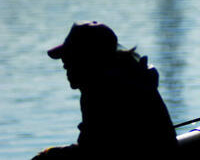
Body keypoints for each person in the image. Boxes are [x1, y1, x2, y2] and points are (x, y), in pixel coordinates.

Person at [32, 21, 179, 159]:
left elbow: (93, 151)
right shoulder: (133, 77)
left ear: (88, 58)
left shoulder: (100, 91)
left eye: (69, 58)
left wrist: (49, 155)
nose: (64, 65)